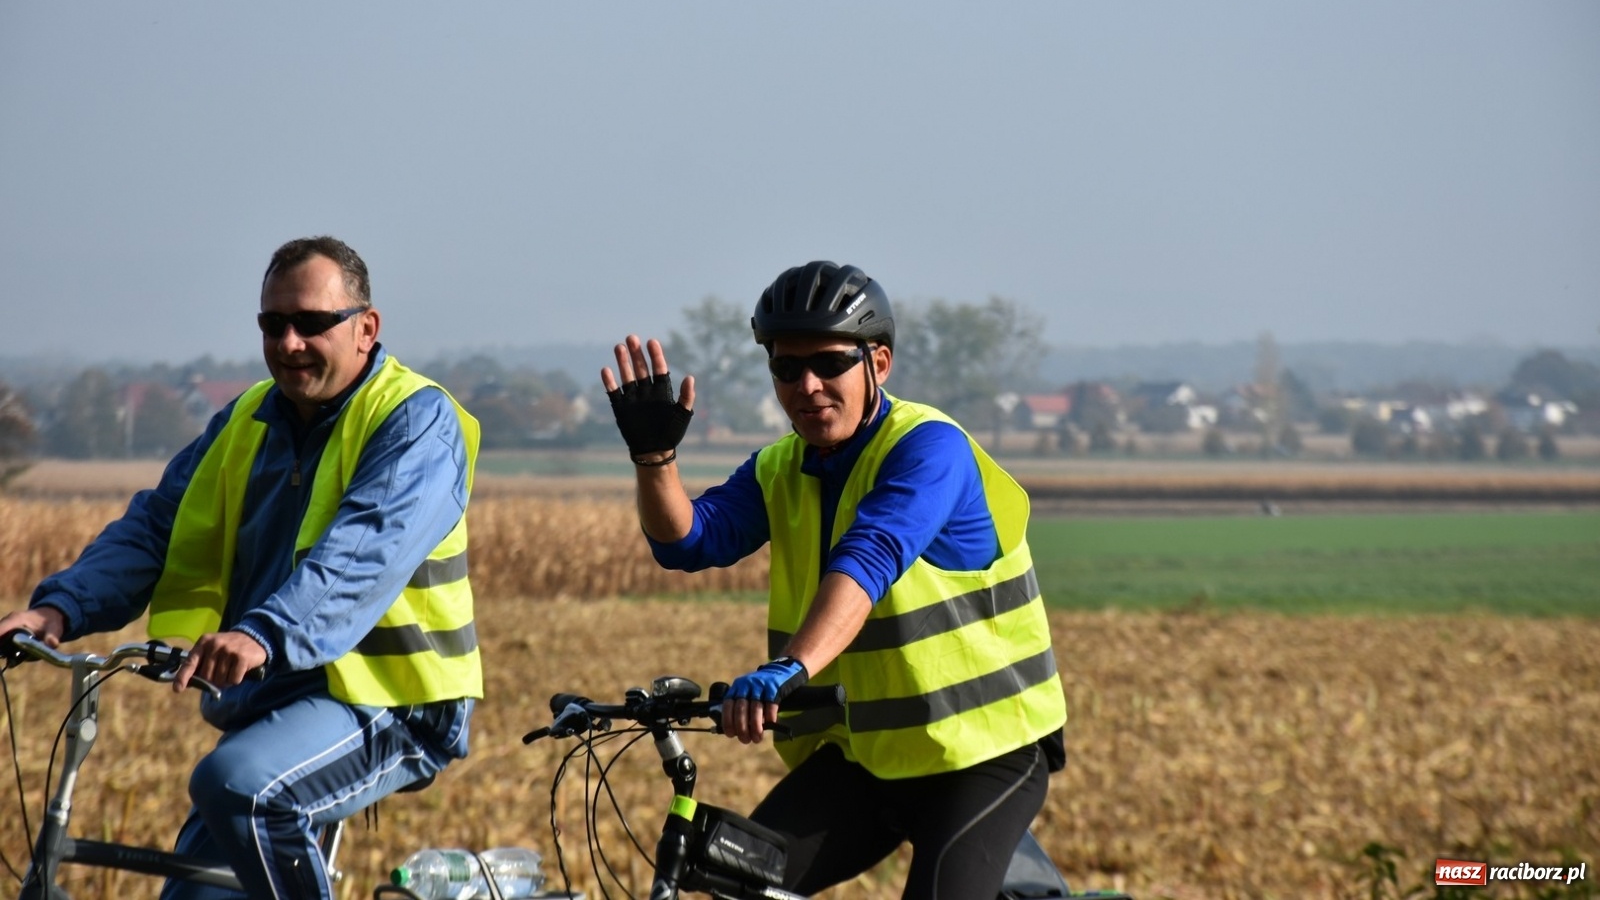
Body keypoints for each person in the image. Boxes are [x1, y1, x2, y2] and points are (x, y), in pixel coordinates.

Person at [0, 236, 482, 900]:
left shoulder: (415, 420)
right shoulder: (243, 421)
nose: (289, 342)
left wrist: (262, 634)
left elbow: (364, 550)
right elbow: (155, 525)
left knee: (241, 787)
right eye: (272, 324)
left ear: (367, 328)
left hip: (392, 702)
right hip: (275, 703)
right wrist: (59, 607)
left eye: (312, 322)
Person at [601, 260, 1067, 900]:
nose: (808, 385)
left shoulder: (929, 449)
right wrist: (655, 459)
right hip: (869, 758)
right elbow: (687, 541)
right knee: (738, 884)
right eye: (787, 369)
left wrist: (787, 668)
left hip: (982, 753)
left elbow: (871, 556)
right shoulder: (780, 467)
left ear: (878, 364)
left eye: (830, 363)